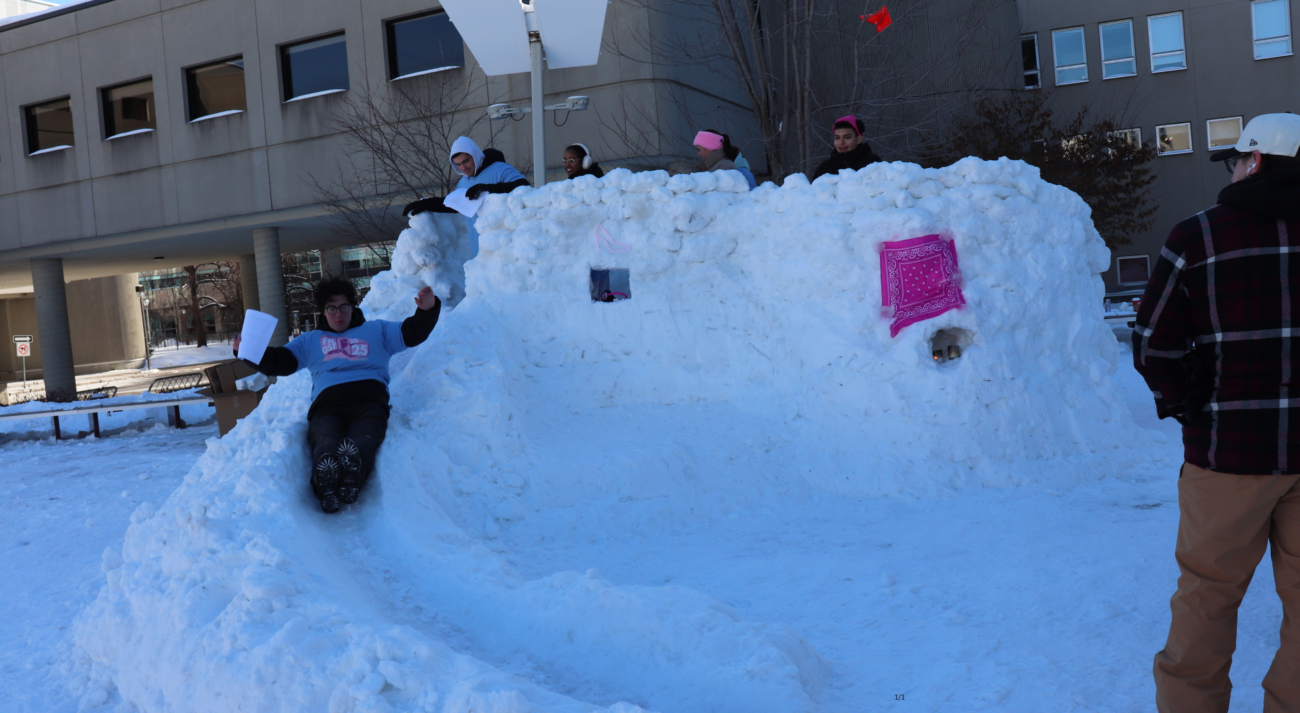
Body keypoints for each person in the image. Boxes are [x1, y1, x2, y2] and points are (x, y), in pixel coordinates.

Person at [1133, 112, 1300, 712]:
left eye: (1236, 158)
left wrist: (1187, 407)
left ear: (1254, 161)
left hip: (1229, 456)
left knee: (1207, 596)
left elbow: (1154, 342)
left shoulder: (1198, 236)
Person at [234, 278, 442, 514]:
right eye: (331, 309)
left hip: (369, 402)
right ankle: (325, 484)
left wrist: (427, 310)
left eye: (344, 307)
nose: (338, 314)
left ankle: (352, 479)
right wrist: (249, 352)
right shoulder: (310, 341)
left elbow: (411, 332)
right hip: (327, 406)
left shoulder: (378, 331)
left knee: (363, 439)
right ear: (323, 311)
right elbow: (280, 362)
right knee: (325, 439)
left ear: (353, 307)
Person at [401, 136, 529, 255]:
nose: (463, 167)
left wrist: (488, 188)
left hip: (506, 248)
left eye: (466, 161)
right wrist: (425, 204)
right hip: (479, 253)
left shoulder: (500, 169)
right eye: (458, 164)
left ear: (475, 155)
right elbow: (454, 205)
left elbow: (524, 186)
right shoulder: (463, 183)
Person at [810, 115, 881, 181]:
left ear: (858, 139)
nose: (841, 142)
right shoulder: (825, 168)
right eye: (837, 138)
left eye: (847, 137)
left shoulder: (872, 162)